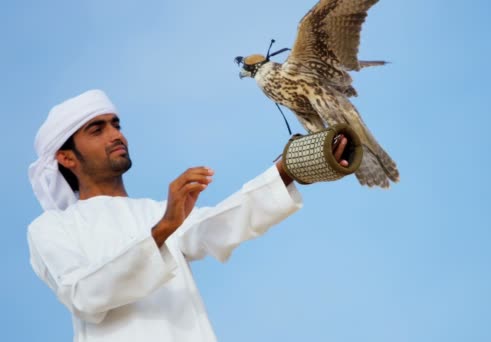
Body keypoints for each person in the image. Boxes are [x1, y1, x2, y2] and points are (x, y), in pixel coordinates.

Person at [27, 89, 350, 342]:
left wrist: (287, 170)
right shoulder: (52, 228)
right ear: (66, 157)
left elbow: (220, 226)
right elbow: (83, 295)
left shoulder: (156, 213)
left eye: (116, 124)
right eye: (97, 129)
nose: (116, 135)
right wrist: (161, 230)